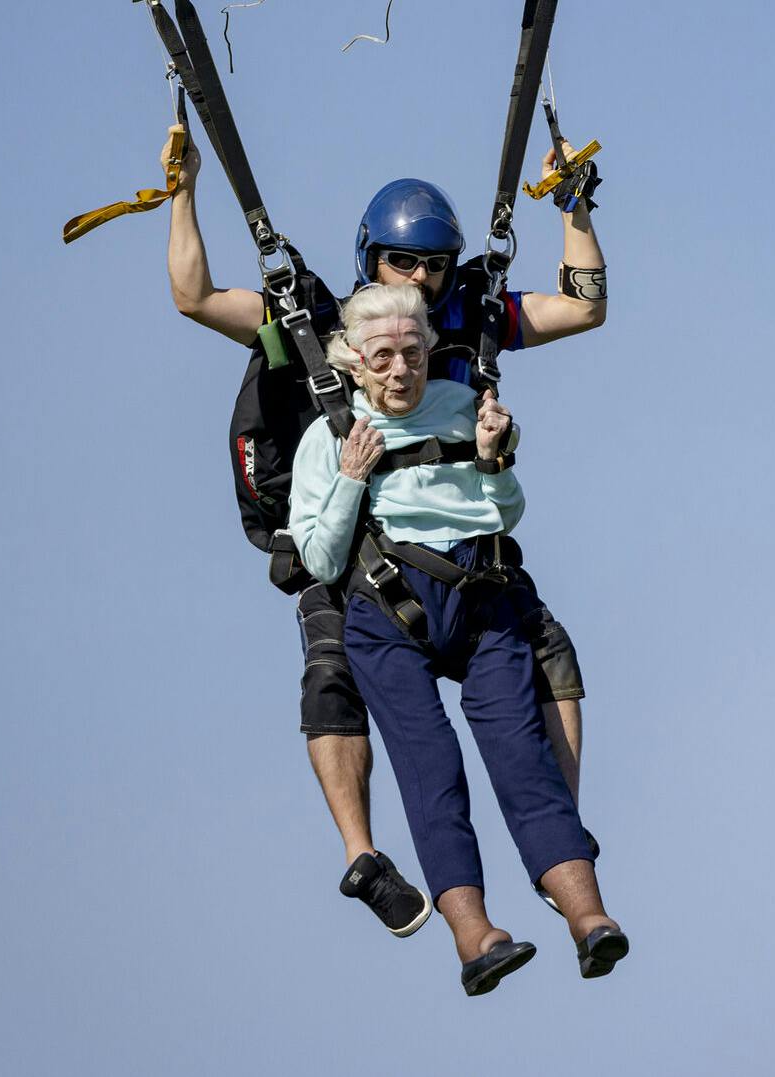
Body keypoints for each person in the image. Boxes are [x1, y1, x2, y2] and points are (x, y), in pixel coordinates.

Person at [162, 127, 610, 933]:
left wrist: (574, 210)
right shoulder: (324, 325)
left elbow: (582, 306)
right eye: (405, 262)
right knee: (332, 673)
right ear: (372, 258)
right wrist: (184, 193)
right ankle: (362, 855)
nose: (423, 278)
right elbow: (196, 297)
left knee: (550, 650)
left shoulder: (467, 322)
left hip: (459, 545)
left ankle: (557, 834)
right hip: (351, 543)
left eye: (435, 264)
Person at [288, 284, 627, 995]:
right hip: (388, 615)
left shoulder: (462, 406)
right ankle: (476, 938)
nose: (400, 370)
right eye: (383, 357)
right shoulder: (326, 437)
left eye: (412, 353)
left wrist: (493, 459)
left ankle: (589, 918)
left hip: (480, 602)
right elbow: (318, 562)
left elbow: (506, 511)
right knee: (431, 768)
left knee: (523, 755)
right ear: (353, 361)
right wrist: (351, 478)